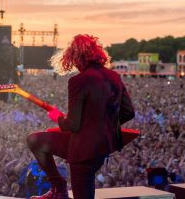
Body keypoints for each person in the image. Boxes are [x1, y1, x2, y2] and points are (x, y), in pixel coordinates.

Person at [26, 34, 135, 199]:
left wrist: (57, 117)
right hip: (103, 146)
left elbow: (73, 125)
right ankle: (58, 187)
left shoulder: (79, 81)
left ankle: (60, 191)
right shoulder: (114, 77)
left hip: (84, 150)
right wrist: (105, 126)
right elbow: (129, 112)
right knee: (36, 140)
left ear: (76, 57)